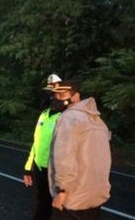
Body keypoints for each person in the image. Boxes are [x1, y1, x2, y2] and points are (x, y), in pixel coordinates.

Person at [49, 80, 111, 220]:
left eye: (62, 95)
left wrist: (62, 190)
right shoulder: (98, 121)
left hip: (72, 198)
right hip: (95, 196)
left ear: (76, 97)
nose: (57, 99)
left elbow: (64, 158)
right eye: (56, 95)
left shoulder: (69, 117)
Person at [23, 74, 63, 220]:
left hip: (58, 175)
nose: (51, 96)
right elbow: (36, 143)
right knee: (39, 209)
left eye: (54, 93)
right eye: (49, 93)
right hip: (40, 172)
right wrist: (28, 168)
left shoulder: (66, 117)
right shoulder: (44, 115)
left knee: (59, 211)